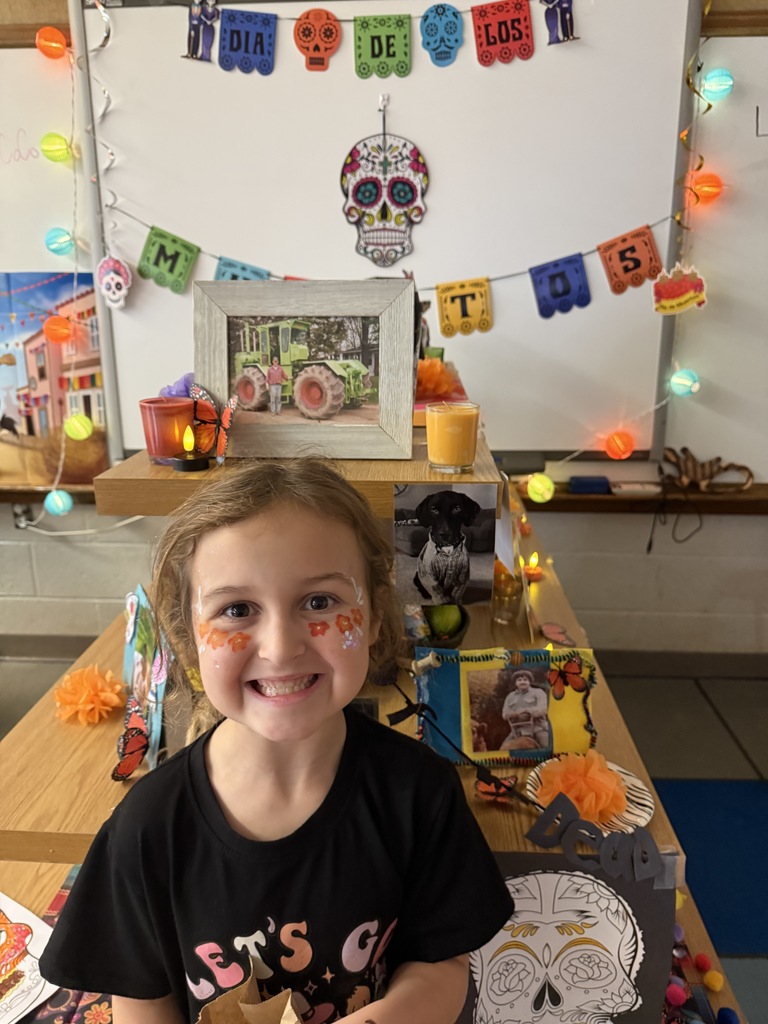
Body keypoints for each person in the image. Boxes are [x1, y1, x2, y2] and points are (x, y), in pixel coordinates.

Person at [41, 459, 514, 1024]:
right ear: (191, 637)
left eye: (319, 602)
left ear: (375, 618)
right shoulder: (147, 828)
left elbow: (441, 965)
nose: (281, 646)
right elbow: (142, 1000)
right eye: (237, 610)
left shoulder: (420, 795)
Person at [500, 669, 550, 749]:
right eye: (519, 680)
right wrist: (512, 714)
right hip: (516, 731)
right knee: (503, 750)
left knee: (548, 746)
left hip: (537, 728)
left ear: (530, 681)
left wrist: (527, 711)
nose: (522, 682)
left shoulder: (538, 692)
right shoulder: (510, 696)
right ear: (516, 683)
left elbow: (543, 709)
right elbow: (504, 714)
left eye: (525, 679)